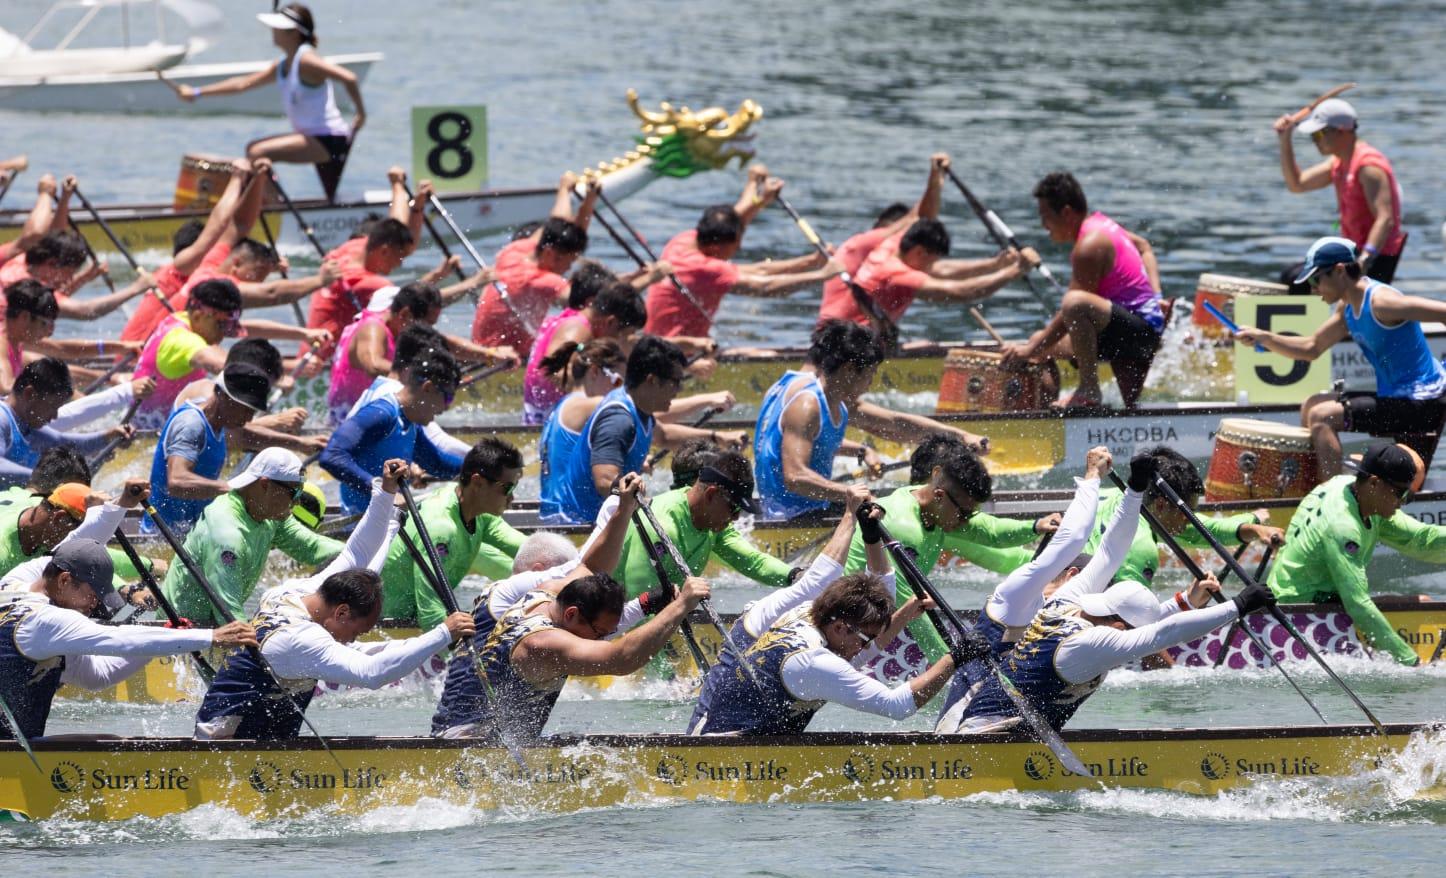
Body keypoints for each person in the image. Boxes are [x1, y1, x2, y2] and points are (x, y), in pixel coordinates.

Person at [192, 458, 474, 739]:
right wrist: (443, 632)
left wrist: (385, 492)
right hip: (223, 755)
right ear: (340, 613)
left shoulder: (292, 593)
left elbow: (357, 555)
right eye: (357, 632)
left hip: (260, 746)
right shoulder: (302, 640)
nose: (352, 640)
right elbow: (372, 673)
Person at [689, 492, 968, 734]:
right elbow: (897, 706)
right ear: (839, 629)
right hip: (726, 755)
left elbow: (869, 632)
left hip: (753, 732)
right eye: (864, 639)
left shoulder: (813, 614)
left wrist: (871, 537)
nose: (870, 648)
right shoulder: (815, 660)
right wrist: (955, 658)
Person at [955, 552, 1272, 734]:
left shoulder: (1074, 610)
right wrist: (1237, 606)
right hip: (986, 735)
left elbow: (1141, 624)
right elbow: (1161, 634)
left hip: (996, 724)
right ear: (1117, 625)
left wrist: (1185, 602)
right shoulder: (1092, 641)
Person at [429, 473, 647, 737]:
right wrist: (617, 507)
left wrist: (647, 603)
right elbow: (587, 566)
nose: (572, 585)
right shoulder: (515, 593)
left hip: (497, 743)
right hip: (463, 737)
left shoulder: (551, 616)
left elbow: (594, 625)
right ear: (540, 571)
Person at [430, 558, 710, 742]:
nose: (602, 638)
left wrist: (650, 602)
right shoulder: (540, 645)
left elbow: (588, 564)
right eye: (599, 633)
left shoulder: (546, 594)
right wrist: (680, 606)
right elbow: (622, 659)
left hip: (473, 736)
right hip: (466, 746)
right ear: (572, 614)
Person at [0, 539, 256, 740]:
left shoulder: (13, 583)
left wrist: (120, 505)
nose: (95, 603)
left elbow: (97, 675)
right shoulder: (48, 620)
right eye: (92, 593)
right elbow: (118, 638)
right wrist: (210, 637)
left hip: (15, 747)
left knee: (106, 740)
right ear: (65, 580)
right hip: (11, 757)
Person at [1233, 236, 1446, 476]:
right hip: (1395, 396)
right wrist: (1264, 337)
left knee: (1323, 416)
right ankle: (1311, 482)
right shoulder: (1348, 307)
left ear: (1340, 270)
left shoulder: (1382, 303)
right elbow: (1312, 347)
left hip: (1423, 403)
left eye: (1316, 279)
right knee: (1312, 405)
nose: (1313, 289)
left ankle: (1329, 499)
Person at [936, 447, 1115, 731]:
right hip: (960, 733)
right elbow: (1072, 539)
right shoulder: (1016, 597)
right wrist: (1092, 476)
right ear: (1072, 576)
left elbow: (1112, 556)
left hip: (1018, 738)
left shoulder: (1060, 617)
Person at [842, 444, 1059, 664]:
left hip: (881, 617)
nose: (966, 521)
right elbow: (911, 605)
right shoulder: (903, 526)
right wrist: (951, 664)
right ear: (939, 495)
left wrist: (1035, 527)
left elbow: (989, 530)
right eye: (964, 513)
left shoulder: (931, 504)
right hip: (847, 627)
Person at [754, 320, 986, 519]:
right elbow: (795, 477)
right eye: (870, 374)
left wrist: (960, 437)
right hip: (793, 516)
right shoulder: (807, 405)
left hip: (800, 507)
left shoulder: (801, 386)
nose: (871, 383)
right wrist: (852, 492)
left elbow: (895, 424)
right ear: (848, 370)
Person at [1268, 442, 1445, 666]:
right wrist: (1412, 663)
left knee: (1423, 601)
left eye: (1407, 496)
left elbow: (1421, 539)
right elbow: (1358, 604)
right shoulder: (1344, 528)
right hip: (1294, 617)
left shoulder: (1350, 487)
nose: (1402, 503)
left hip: (1322, 601)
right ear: (1374, 482)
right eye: (1400, 493)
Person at [165, 3, 366, 201]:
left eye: (277, 27)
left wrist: (361, 114)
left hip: (329, 140)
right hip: (311, 137)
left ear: (293, 33)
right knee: (328, 197)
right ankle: (272, 206)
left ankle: (275, 210)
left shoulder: (306, 60)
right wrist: (197, 92)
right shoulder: (283, 64)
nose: (272, 31)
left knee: (257, 151)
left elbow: (349, 78)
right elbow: (242, 84)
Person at [1001, 171, 1165, 408]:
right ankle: (1047, 412)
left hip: (1141, 334)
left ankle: (1089, 389)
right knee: (1040, 342)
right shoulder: (1102, 223)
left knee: (1073, 303)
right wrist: (1156, 294)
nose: (1043, 226)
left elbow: (1073, 309)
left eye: (1045, 216)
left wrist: (1027, 350)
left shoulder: (1089, 245)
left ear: (1066, 213)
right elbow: (1144, 246)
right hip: (1121, 326)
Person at [644, 165, 841, 352]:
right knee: (765, 356)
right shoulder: (706, 269)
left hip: (664, 345)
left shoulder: (684, 240)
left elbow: (734, 220)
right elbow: (763, 285)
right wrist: (821, 275)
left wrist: (757, 191)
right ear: (716, 246)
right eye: (736, 243)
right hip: (673, 357)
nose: (740, 246)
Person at [541, 335, 732, 524]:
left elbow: (664, 436)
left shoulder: (638, 406)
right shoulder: (619, 419)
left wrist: (718, 440)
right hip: (577, 523)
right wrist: (652, 506)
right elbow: (605, 481)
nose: (678, 390)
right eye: (676, 382)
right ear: (652, 380)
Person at [158, 448, 342, 625]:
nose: (297, 502)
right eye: (294, 492)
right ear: (265, 484)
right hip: (180, 632)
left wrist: (367, 554)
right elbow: (228, 613)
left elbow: (313, 548)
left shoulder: (271, 515)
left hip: (214, 625)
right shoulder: (228, 535)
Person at [307, 168, 477, 355]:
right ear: (384, 251)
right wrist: (475, 282)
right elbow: (416, 301)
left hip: (333, 350)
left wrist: (413, 202)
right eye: (399, 257)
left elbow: (395, 228)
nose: (400, 263)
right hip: (322, 364)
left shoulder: (351, 250)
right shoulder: (372, 283)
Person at [582, 449, 791, 598]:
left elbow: (754, 562)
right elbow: (638, 606)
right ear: (711, 495)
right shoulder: (662, 527)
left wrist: (796, 577)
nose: (736, 518)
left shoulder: (714, 525)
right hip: (603, 620)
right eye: (734, 508)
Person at [130, 277, 329, 429]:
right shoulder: (182, 341)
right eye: (222, 326)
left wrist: (303, 334)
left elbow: (248, 329)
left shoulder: (185, 318)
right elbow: (222, 364)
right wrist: (277, 375)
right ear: (200, 314)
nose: (226, 333)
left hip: (167, 422)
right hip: (148, 436)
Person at [377, 438, 526, 628]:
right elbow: (430, 614)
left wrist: (573, 562)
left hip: (418, 612)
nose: (512, 497)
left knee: (524, 568)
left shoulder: (476, 509)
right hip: (387, 624)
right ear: (478, 482)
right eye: (507, 488)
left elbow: (528, 549)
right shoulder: (441, 529)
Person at [328, 280, 510, 425]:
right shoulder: (372, 328)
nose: (429, 329)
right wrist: (420, 375)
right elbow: (373, 365)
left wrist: (490, 354)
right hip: (349, 422)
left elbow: (442, 343)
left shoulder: (398, 321)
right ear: (406, 314)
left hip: (381, 413)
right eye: (428, 324)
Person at [121, 162, 255, 343]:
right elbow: (218, 224)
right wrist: (236, 178)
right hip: (138, 358)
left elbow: (238, 227)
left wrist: (256, 179)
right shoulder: (180, 268)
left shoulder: (195, 274)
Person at [1275, 99, 1406, 282]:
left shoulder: (1368, 167)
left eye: (1319, 134)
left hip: (1375, 257)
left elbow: (1385, 219)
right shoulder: (1339, 163)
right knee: (1291, 276)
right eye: (1313, 135)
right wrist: (1285, 140)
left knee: (1303, 281)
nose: (1314, 140)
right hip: (1353, 254)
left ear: (1341, 131)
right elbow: (1297, 184)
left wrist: (1363, 260)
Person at [320, 350, 463, 515]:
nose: (447, 408)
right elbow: (331, 455)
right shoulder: (382, 414)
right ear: (428, 388)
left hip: (387, 523)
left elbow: (438, 463)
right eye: (448, 398)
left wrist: (481, 468)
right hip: (357, 528)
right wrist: (381, 489)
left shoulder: (411, 425)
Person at [471, 174, 600, 354]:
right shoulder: (542, 281)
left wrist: (582, 199)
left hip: (478, 349)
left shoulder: (515, 251)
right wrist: (648, 278)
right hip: (506, 359)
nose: (569, 268)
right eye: (569, 262)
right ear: (550, 254)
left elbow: (557, 224)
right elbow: (592, 305)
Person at [143, 363, 272, 538]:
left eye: (253, 411)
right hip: (162, 537)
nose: (249, 418)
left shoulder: (219, 421)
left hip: (192, 533)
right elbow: (177, 481)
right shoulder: (191, 424)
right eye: (245, 409)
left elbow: (249, 437)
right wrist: (231, 488)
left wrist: (300, 443)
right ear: (220, 394)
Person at [522, 281, 648, 424]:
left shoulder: (576, 318)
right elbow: (552, 369)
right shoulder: (577, 330)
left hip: (541, 415)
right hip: (549, 420)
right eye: (624, 335)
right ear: (611, 322)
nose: (621, 341)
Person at [0, 358, 130, 486]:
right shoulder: (2, 418)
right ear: (29, 394)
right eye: (52, 407)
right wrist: (41, 478)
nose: (54, 416)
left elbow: (62, 443)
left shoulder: (25, 423)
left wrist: (107, 437)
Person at [0, 480, 149, 579]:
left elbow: (87, 555)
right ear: (59, 518)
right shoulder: (2, 551)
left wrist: (149, 566)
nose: (81, 541)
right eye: (79, 530)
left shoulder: (36, 503)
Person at [0, 229, 154, 320]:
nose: (68, 279)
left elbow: (52, 302)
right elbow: (86, 311)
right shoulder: (29, 286)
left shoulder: (17, 258)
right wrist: (136, 288)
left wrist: (83, 278)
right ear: (52, 263)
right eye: (70, 273)